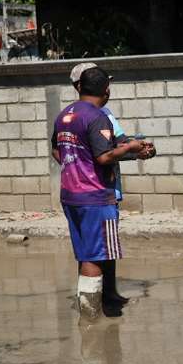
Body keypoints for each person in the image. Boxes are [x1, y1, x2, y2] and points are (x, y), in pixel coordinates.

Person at [52, 66, 154, 321]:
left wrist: (75, 166)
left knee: (87, 252)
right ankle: (91, 319)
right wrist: (131, 146)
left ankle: (92, 311)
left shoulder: (65, 114)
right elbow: (104, 155)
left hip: (70, 194)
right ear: (105, 91)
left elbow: (57, 151)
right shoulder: (97, 117)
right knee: (95, 256)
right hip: (95, 196)